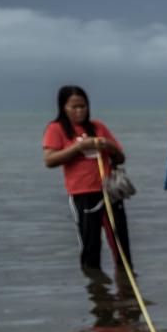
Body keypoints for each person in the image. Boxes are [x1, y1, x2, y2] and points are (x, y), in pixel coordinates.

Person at [42, 84, 131, 273]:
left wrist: (109, 147)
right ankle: (95, 284)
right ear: (63, 108)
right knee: (91, 245)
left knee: (121, 242)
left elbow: (120, 157)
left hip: (109, 191)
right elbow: (49, 160)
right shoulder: (56, 128)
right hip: (83, 193)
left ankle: (125, 282)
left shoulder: (98, 127)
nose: (79, 111)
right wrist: (78, 147)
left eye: (83, 106)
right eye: (74, 107)